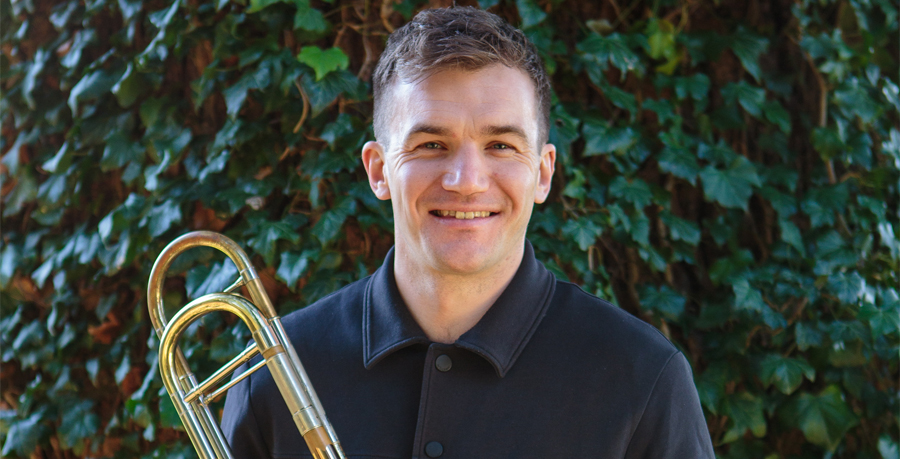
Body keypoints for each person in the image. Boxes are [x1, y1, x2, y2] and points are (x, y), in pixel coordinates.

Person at [222, 6, 715, 458]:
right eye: (432, 143)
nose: (466, 181)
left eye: (500, 145)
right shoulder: (275, 372)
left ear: (542, 173)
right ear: (378, 170)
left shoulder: (644, 378)